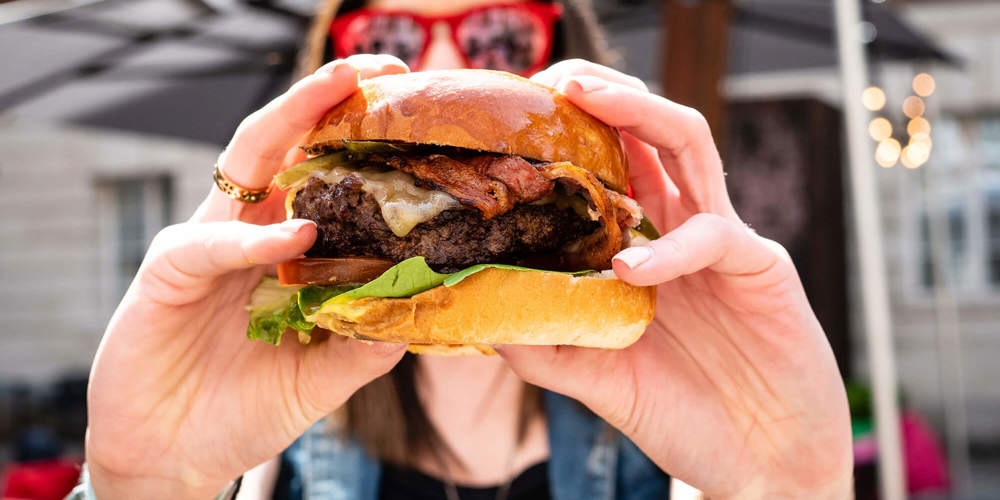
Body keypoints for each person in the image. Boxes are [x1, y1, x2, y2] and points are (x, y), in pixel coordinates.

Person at [69, 0, 854, 498]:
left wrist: (783, 485)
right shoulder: (260, 452)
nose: (439, 69)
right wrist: (146, 483)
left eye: (496, 33)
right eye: (388, 37)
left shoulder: (674, 444)